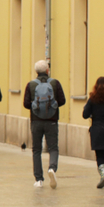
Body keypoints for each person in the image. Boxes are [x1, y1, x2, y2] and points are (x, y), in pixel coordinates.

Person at [23, 59, 66, 189]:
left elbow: (26, 104)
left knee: (36, 149)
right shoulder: (55, 83)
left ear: (36, 72)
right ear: (47, 70)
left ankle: (39, 179)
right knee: (53, 147)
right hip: (52, 120)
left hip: (36, 121)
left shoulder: (31, 85)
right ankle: (52, 168)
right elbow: (62, 101)